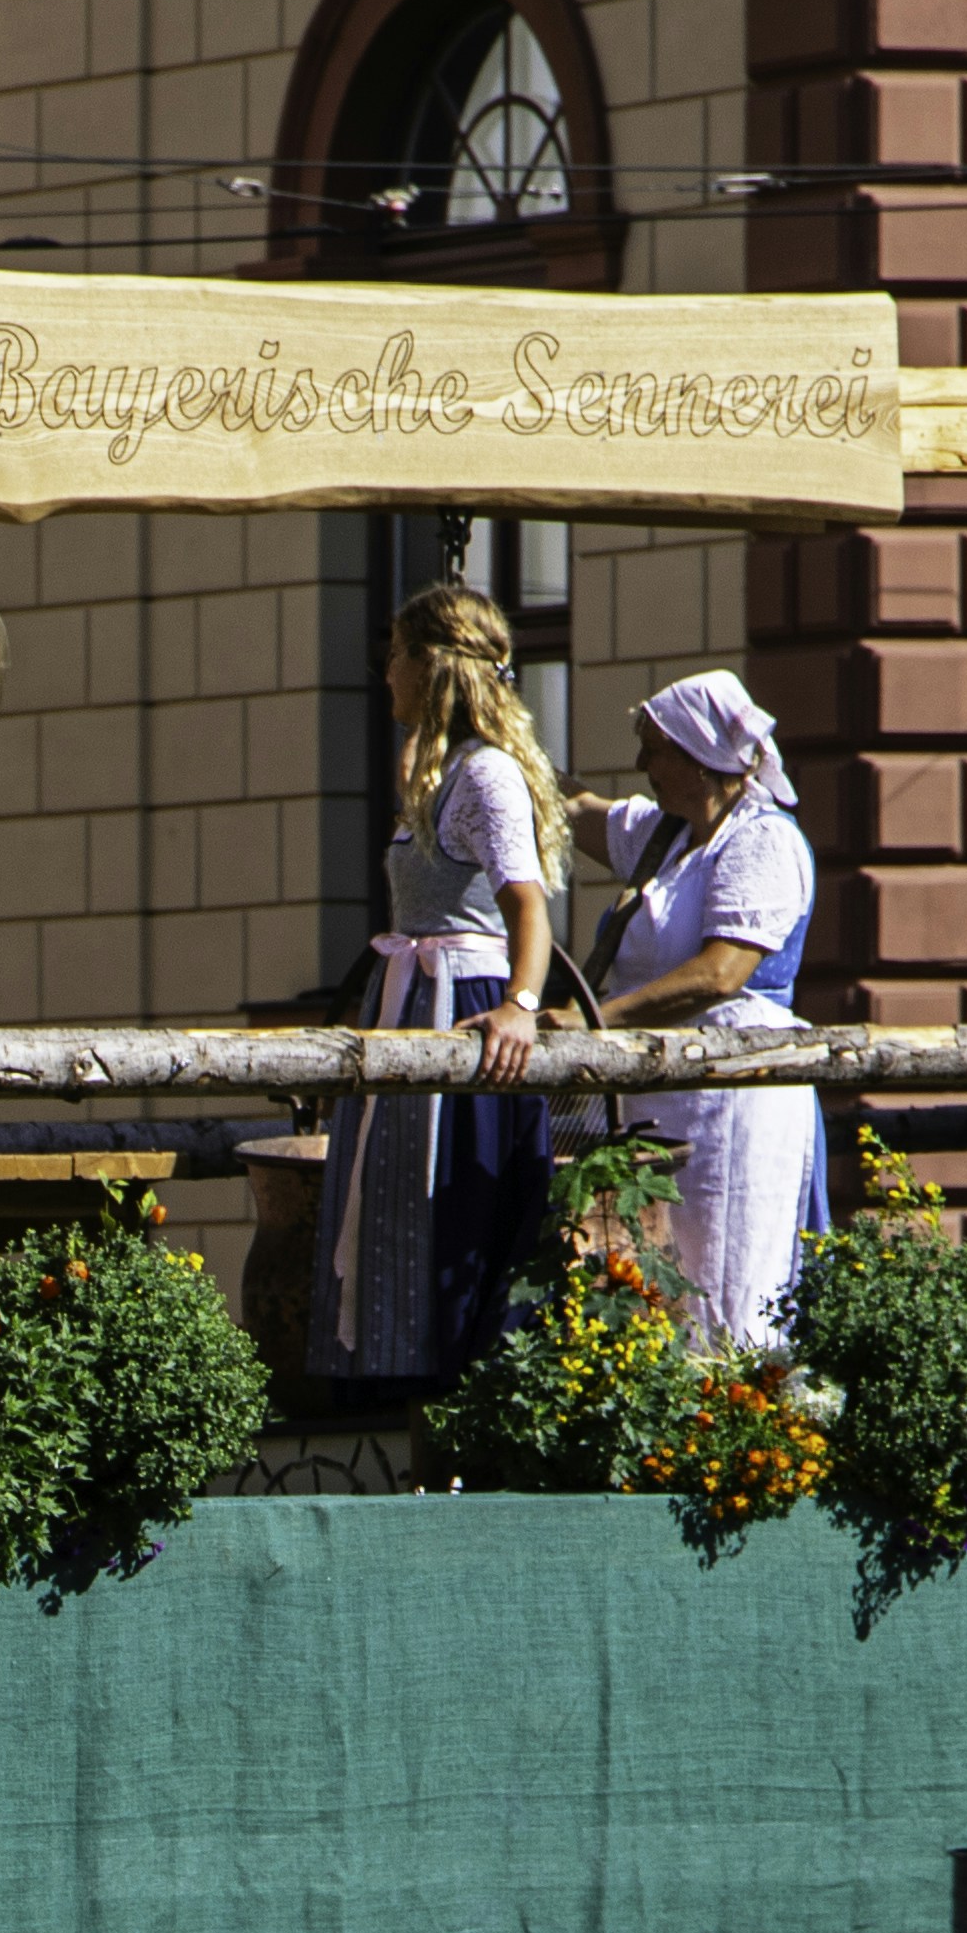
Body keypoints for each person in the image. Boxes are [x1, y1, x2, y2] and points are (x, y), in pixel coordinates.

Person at [320, 577, 567, 1406]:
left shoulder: (485, 776)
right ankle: (400, 1396)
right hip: (411, 996)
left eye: (395, 654)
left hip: (459, 999)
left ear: (431, 665)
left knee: (448, 1210)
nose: (385, 671)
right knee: (392, 1205)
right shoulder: (441, 772)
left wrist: (519, 1010)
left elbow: (526, 904)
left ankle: (452, 1397)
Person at [565, 670, 828, 1345]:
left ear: (696, 756)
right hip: (661, 1091)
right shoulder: (665, 837)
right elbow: (571, 808)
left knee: (726, 1275)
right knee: (646, 1278)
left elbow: (720, 973)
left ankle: (740, 1426)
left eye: (652, 748)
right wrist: (493, 725)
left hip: (735, 1098)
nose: (640, 765)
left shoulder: (760, 841)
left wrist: (601, 1020)